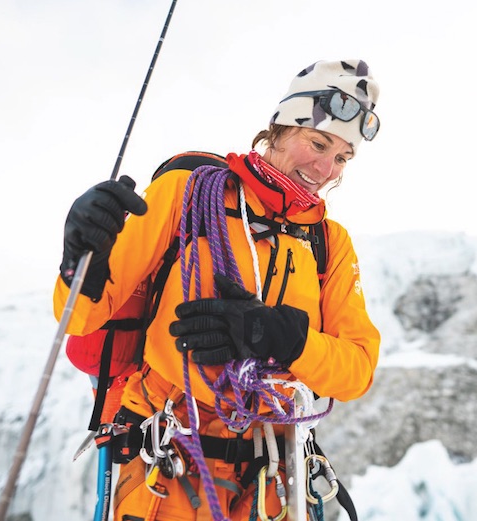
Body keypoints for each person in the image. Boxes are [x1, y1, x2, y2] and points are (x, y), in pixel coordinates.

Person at [54, 59, 382, 521]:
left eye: (343, 157)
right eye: (318, 142)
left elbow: (357, 370)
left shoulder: (329, 243)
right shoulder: (185, 193)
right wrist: (81, 256)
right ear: (281, 129)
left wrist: (288, 339)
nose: (326, 168)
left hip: (271, 472)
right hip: (167, 460)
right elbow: (80, 316)